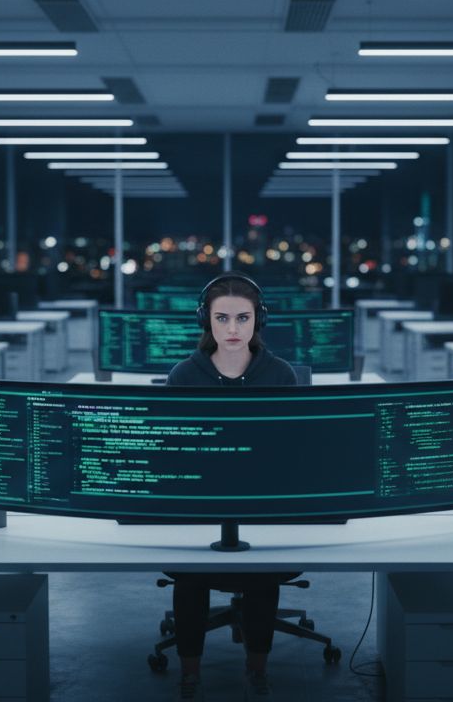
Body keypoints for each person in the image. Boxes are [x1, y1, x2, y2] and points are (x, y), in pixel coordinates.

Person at [165, 273, 297, 701]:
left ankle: (256, 671)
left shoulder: (279, 375)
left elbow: (294, 454)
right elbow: (171, 453)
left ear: (260, 320)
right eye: (223, 319)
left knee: (262, 572)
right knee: (190, 573)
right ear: (208, 321)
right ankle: (190, 674)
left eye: (244, 318)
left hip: (264, 507)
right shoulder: (184, 375)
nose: (234, 330)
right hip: (197, 505)